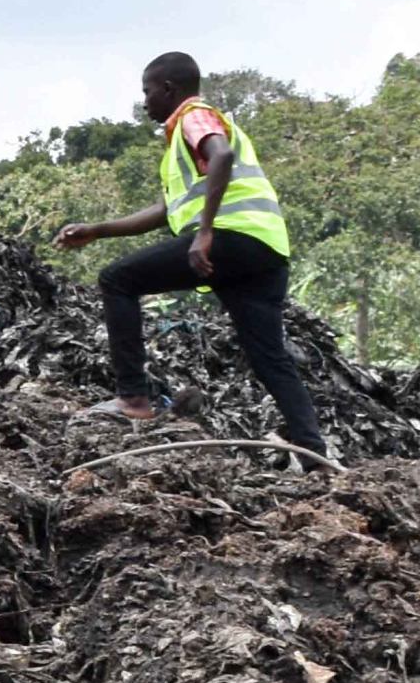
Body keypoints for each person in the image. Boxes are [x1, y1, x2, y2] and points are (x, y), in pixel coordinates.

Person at [51, 53, 326, 458]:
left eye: (147, 92)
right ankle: (313, 450)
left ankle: (133, 398)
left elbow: (223, 157)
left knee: (116, 280)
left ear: (168, 89)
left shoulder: (193, 115)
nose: (144, 102)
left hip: (231, 237)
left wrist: (206, 232)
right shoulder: (178, 146)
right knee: (269, 356)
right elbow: (167, 211)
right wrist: (97, 231)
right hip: (265, 249)